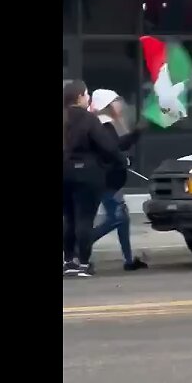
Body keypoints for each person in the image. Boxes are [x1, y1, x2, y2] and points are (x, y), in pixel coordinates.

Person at [63, 80, 126, 277]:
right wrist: (119, 161)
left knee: (69, 218)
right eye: (86, 94)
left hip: (65, 174)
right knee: (84, 219)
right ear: (80, 97)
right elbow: (107, 146)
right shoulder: (89, 120)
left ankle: (68, 261)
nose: (88, 98)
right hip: (87, 175)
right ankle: (83, 263)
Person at [87, 88, 149, 271]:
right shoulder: (103, 125)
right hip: (108, 182)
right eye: (116, 100)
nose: (120, 103)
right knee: (117, 218)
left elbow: (117, 146)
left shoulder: (107, 124)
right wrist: (124, 159)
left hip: (112, 181)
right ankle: (81, 245)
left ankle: (129, 260)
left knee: (123, 218)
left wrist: (136, 134)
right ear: (107, 105)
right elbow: (111, 151)